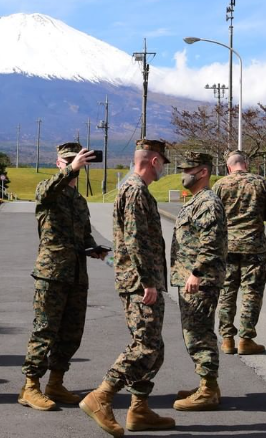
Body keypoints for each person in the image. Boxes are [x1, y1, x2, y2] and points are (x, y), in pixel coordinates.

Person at [80, 139, 175, 437]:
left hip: (140, 279)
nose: (162, 170)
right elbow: (135, 240)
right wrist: (148, 280)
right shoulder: (135, 190)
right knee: (145, 345)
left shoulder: (134, 189)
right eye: (163, 164)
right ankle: (102, 395)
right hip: (139, 283)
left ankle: (139, 409)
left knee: (154, 348)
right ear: (154, 161)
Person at [19, 143, 107, 412]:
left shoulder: (79, 201)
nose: (76, 163)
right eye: (69, 160)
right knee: (45, 330)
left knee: (71, 333)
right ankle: (30, 386)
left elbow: (85, 235)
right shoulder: (48, 189)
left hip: (77, 274)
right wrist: (70, 169)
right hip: (52, 273)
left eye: (79, 159)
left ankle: (56, 383)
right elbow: (46, 192)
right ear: (59, 163)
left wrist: (95, 249)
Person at [170, 152, 227, 411]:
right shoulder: (197, 201)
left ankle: (207, 390)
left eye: (188, 169)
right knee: (194, 332)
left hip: (200, 281)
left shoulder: (207, 202)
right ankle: (208, 385)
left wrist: (196, 272)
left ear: (203, 172)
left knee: (199, 334)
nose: (183, 174)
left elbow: (211, 243)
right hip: (193, 279)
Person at [213, 150, 266, 355]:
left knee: (227, 292)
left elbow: (213, 215)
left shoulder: (220, 185)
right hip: (254, 246)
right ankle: (246, 339)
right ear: (246, 164)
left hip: (227, 247)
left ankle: (226, 339)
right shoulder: (261, 183)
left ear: (229, 166)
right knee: (252, 293)